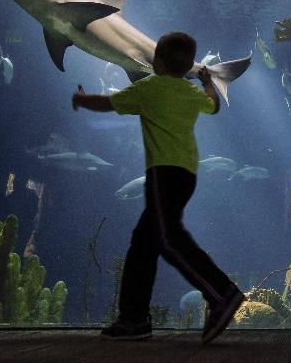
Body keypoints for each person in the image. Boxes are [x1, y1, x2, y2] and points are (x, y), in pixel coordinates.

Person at [72, 31, 245, 342]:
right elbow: (213, 104)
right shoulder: (190, 92)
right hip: (187, 174)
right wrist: (207, 82)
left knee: (168, 240)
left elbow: (109, 102)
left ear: (157, 62)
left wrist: (83, 99)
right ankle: (133, 319)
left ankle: (222, 293)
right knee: (143, 244)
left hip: (162, 174)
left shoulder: (149, 87)